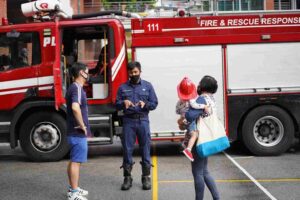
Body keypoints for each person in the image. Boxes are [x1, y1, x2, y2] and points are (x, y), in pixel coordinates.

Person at [116, 61, 158, 191]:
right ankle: (127, 178)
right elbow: (116, 104)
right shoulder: (122, 87)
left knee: (145, 148)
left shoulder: (148, 86)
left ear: (140, 71)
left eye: (135, 72)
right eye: (131, 72)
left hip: (143, 121)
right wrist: (124, 102)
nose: (133, 74)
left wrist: (145, 104)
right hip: (128, 121)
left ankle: (146, 177)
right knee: (127, 149)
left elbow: (154, 103)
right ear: (128, 73)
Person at [185, 75, 220, 200]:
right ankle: (217, 198)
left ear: (203, 86)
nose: (197, 85)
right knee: (205, 171)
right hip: (207, 137)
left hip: (198, 139)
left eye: (199, 83)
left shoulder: (201, 99)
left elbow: (190, 116)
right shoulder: (212, 99)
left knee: (198, 172)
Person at [66, 62, 90, 200]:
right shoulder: (77, 88)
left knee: (73, 160)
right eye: (87, 71)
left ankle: (73, 189)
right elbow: (75, 107)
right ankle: (74, 194)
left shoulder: (73, 87)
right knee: (76, 162)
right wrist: (82, 125)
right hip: (77, 132)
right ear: (81, 73)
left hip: (72, 131)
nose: (88, 74)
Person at [176, 77, 209, 162]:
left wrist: (182, 116)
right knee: (194, 134)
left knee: (189, 132)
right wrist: (204, 106)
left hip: (184, 119)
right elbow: (195, 106)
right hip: (190, 120)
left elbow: (177, 111)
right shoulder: (191, 100)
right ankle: (188, 149)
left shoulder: (179, 102)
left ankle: (184, 144)